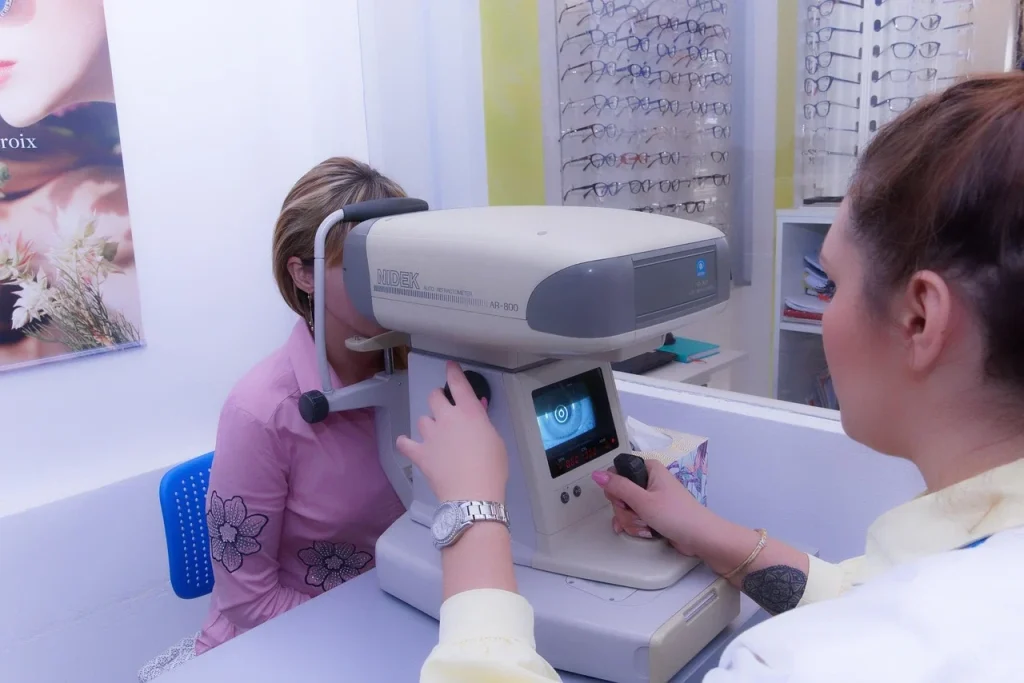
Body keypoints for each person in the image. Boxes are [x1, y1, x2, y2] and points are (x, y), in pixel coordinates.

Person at [399, 72, 1024, 682]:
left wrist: (472, 509)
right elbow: (873, 593)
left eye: (831, 284)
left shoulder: (799, 665)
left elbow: (870, 631)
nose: (826, 309)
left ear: (920, 318)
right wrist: (704, 532)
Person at [137, 157, 410, 681]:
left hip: (387, 616)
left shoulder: (422, 376)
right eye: (358, 264)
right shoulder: (261, 412)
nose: (385, 283)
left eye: (393, 260)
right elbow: (247, 601)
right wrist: (365, 647)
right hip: (281, 642)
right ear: (303, 273)